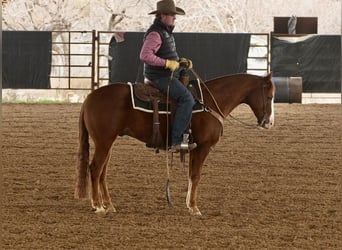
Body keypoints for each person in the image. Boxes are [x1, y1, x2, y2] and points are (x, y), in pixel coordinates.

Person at [140, 0, 197, 153]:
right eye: (172, 15)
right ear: (162, 16)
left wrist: (179, 62)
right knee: (187, 99)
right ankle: (176, 141)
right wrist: (167, 63)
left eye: (174, 15)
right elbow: (145, 55)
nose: (174, 18)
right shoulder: (155, 33)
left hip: (164, 75)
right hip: (159, 77)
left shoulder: (164, 32)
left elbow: (165, 55)